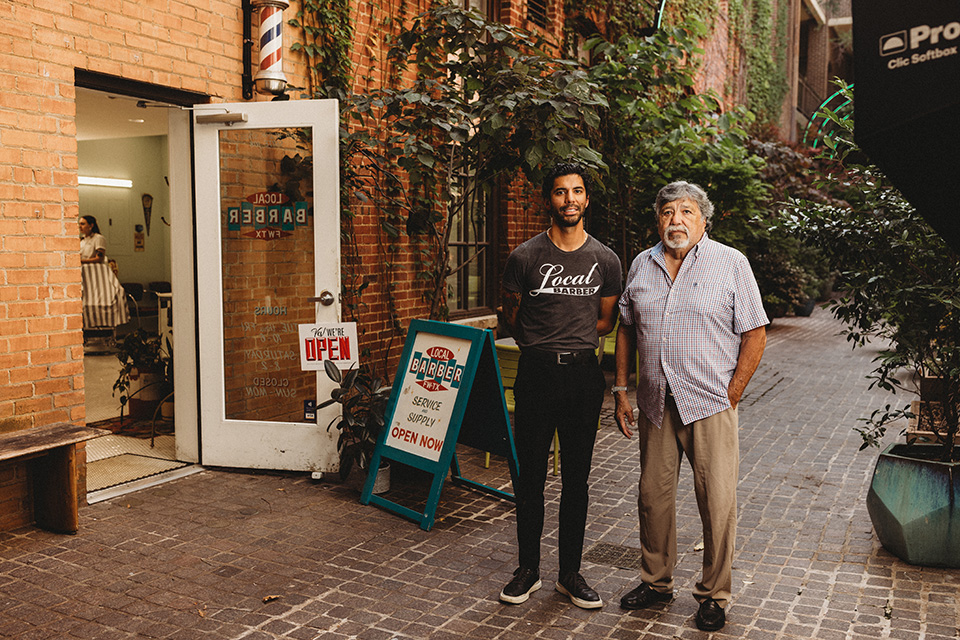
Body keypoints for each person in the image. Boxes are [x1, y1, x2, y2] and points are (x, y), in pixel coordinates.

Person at [613, 181, 767, 631]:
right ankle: (656, 581)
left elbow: (755, 333)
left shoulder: (731, 263)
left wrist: (732, 392)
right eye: (666, 212)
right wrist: (621, 389)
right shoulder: (642, 264)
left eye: (685, 212)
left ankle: (714, 594)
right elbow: (625, 327)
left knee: (717, 501)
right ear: (656, 219)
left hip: (709, 403)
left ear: (703, 219)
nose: (675, 220)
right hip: (656, 402)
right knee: (652, 498)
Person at [498, 162, 622, 609]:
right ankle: (527, 569)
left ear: (587, 199)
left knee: (577, 480)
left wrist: (574, 341)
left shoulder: (605, 260)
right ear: (548, 199)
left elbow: (606, 320)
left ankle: (570, 573)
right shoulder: (525, 257)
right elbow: (511, 315)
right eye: (559, 192)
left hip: (582, 378)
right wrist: (541, 344)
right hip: (535, 373)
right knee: (529, 476)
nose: (569, 199)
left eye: (577, 192)